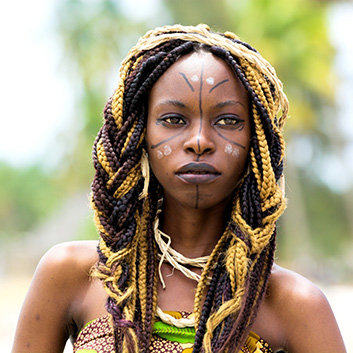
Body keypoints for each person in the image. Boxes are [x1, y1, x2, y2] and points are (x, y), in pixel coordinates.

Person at [12, 24, 346, 353]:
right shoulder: (73, 274)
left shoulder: (295, 306)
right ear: (140, 135)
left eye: (228, 120)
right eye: (173, 119)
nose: (199, 141)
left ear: (256, 144)